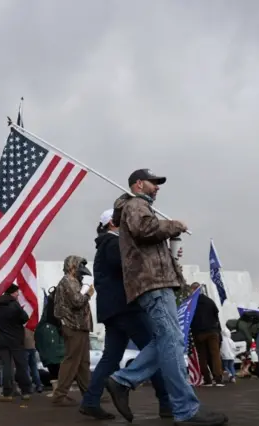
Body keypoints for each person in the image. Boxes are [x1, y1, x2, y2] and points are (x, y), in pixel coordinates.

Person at [105, 169, 227, 426]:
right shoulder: (136, 204)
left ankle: (123, 380)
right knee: (171, 342)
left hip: (155, 283)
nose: (157, 187)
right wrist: (174, 226)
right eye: (154, 182)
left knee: (169, 341)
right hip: (153, 284)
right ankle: (185, 409)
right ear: (139, 184)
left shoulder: (133, 206)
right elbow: (144, 229)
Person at [80, 208, 173, 420]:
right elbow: (130, 267)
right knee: (155, 350)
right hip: (126, 308)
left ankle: (90, 401)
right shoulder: (113, 244)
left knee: (110, 359)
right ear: (113, 223)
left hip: (113, 310)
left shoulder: (105, 244)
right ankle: (166, 402)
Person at [51, 256, 94, 407]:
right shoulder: (68, 281)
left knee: (83, 363)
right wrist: (88, 293)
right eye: (79, 266)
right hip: (73, 326)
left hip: (80, 327)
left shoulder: (74, 281)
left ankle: (90, 395)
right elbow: (77, 301)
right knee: (71, 361)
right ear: (72, 267)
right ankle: (59, 395)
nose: (81, 270)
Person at [0, 284, 33, 401]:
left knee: (6, 367)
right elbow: (25, 318)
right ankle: (25, 391)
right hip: (16, 339)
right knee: (21, 365)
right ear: (12, 293)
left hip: (2, 340)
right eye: (16, 292)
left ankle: (7, 393)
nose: (18, 294)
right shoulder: (15, 305)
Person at [189, 282, 224, 386]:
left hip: (198, 333)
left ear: (192, 289)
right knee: (215, 355)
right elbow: (216, 316)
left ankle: (207, 379)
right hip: (212, 331)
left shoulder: (191, 303)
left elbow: (188, 319)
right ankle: (218, 378)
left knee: (202, 356)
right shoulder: (209, 301)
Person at [34, 287, 65, 397]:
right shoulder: (56, 309)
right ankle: (58, 392)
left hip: (50, 341)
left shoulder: (48, 312)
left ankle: (57, 391)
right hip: (54, 339)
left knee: (54, 367)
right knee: (57, 367)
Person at [235, 309, 259, 377]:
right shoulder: (248, 323)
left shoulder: (242, 325)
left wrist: (247, 350)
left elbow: (249, 339)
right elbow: (252, 337)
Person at [24, 328, 44, 393]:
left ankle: (29, 387)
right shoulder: (31, 326)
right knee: (34, 368)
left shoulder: (21, 326)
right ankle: (39, 385)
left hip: (24, 348)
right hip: (32, 347)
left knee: (26, 369)